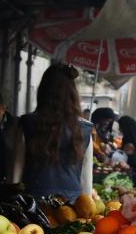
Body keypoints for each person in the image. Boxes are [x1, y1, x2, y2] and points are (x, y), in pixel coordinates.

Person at [11, 64, 93, 201]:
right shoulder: (84, 129)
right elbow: (86, 179)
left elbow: (16, 173)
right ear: (73, 94)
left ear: (42, 91)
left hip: (33, 205)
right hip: (72, 206)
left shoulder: (27, 124)